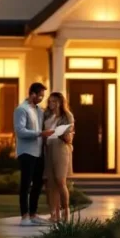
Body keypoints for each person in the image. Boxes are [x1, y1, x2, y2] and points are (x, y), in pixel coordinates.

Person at [14, 82, 54, 226]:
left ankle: (33, 214)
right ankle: (24, 217)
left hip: (38, 153)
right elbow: (20, 131)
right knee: (25, 184)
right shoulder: (21, 110)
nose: (42, 99)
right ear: (32, 94)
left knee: (37, 184)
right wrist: (40, 133)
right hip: (26, 152)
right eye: (40, 96)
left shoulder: (39, 111)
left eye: (43, 96)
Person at [44, 92, 75, 222]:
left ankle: (66, 212)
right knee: (50, 183)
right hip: (48, 149)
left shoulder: (67, 116)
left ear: (61, 102)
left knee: (60, 181)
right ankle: (53, 215)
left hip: (61, 148)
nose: (52, 104)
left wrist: (63, 134)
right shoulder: (46, 116)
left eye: (54, 101)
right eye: (50, 101)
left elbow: (69, 137)